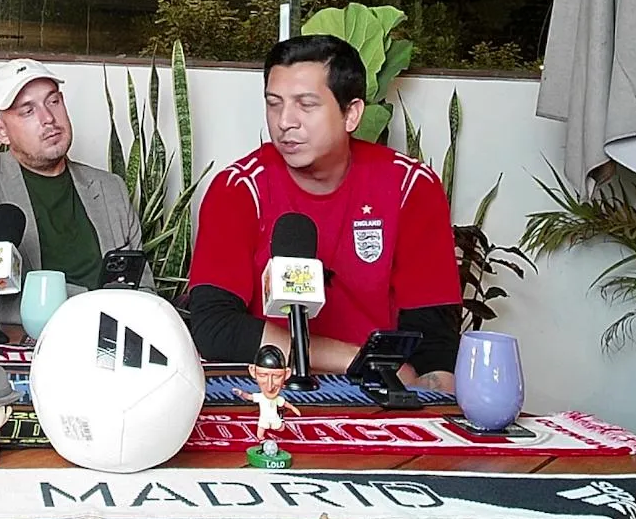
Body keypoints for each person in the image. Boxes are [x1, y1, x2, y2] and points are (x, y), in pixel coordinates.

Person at [186, 34, 462, 392]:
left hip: (378, 397)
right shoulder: (239, 188)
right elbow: (214, 328)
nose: (285, 121)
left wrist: (428, 408)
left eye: (306, 104)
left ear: (351, 114)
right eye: (274, 104)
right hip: (266, 390)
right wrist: (359, 360)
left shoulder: (410, 187)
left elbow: (434, 346)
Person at [0, 58, 153, 339]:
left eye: (53, 101)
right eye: (27, 110)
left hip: (106, 348)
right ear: (0, 131)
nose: (48, 118)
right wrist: (98, 307)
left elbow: (143, 291)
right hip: (2, 350)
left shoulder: (111, 189)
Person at [232, 344, 301, 441]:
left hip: (274, 418)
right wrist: (241, 393)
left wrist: (293, 408)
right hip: (264, 420)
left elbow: (285, 404)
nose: (269, 387)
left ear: (287, 374)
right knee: (260, 434)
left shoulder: (277, 399)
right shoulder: (260, 397)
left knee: (281, 428)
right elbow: (249, 397)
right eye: (262, 375)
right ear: (252, 371)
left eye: (277, 376)